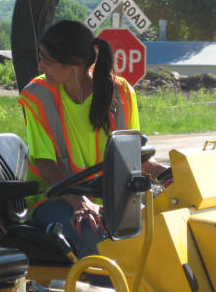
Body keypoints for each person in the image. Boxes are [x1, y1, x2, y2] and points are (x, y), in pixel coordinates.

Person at [17, 20, 166, 265]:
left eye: (46, 60)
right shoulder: (37, 96)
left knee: (158, 226)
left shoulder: (122, 92)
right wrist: (80, 202)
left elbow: (133, 155)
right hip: (53, 197)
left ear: (72, 65)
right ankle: (96, 281)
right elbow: (44, 162)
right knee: (91, 229)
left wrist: (166, 173)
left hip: (111, 199)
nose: (40, 66)